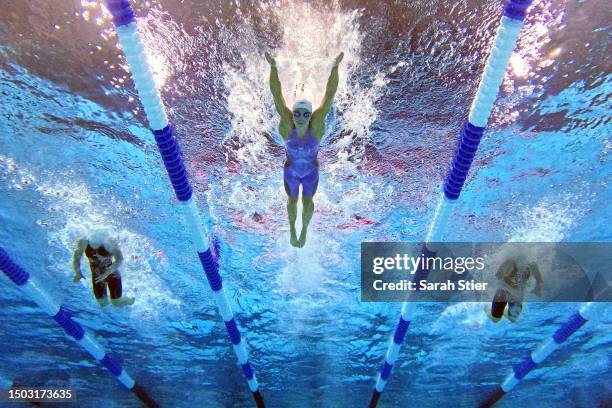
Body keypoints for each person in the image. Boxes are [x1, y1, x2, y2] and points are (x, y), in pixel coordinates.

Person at [265, 51, 344, 247]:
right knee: (292, 202)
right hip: (291, 171)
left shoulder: (316, 127)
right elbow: (277, 95)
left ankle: (304, 232)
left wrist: (335, 67)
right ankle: (293, 230)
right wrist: (273, 67)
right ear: (293, 115)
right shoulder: (285, 125)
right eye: (297, 113)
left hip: (310, 172)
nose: (300, 117)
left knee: (307, 202)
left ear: (310, 115)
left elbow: (329, 95)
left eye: (305, 114)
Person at [71, 229, 134, 307]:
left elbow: (120, 259)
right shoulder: (83, 241)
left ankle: (131, 300)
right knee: (103, 304)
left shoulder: (110, 241)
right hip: (97, 277)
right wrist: (78, 273)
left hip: (112, 274)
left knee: (116, 303)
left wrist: (107, 273)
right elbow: (76, 258)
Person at [485, 258, 544, 323]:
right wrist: (501, 271)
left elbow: (540, 281)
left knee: (513, 319)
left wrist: (537, 288)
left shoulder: (532, 266)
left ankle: (504, 311)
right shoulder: (510, 263)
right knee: (496, 320)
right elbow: (498, 277)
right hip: (503, 292)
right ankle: (486, 309)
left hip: (515, 295)